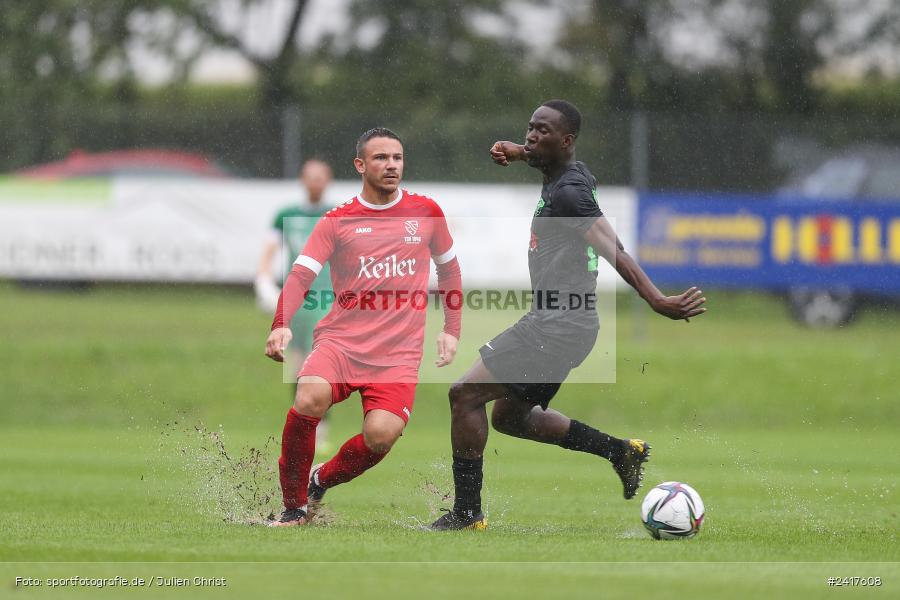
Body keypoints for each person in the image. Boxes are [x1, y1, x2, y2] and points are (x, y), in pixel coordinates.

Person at [428, 100, 707, 531]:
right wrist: (518, 151)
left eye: (543, 130)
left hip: (557, 325)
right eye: (530, 127)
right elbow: (544, 159)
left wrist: (655, 300)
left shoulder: (569, 194)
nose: (532, 135)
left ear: (567, 140)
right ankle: (620, 451)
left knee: (464, 395)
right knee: (509, 418)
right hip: (567, 324)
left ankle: (466, 513)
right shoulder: (567, 175)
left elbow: (615, 250)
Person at [265, 128, 463, 526]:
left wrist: (451, 329)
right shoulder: (337, 221)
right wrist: (281, 323)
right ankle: (294, 508)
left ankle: (319, 480)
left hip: (398, 354)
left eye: (397, 158)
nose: (391, 165)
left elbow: (449, 270)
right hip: (341, 343)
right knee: (309, 396)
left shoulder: (426, 212)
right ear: (360, 165)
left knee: (381, 436)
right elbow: (301, 275)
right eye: (380, 158)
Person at [256, 159, 335, 452]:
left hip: (328, 299)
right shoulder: (286, 215)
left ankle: (321, 426)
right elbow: (269, 250)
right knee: (298, 366)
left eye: (320, 177)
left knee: (323, 365)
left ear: (328, 180)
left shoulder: (337, 214)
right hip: (299, 301)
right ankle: (303, 425)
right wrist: (264, 281)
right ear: (303, 180)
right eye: (310, 177)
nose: (315, 182)